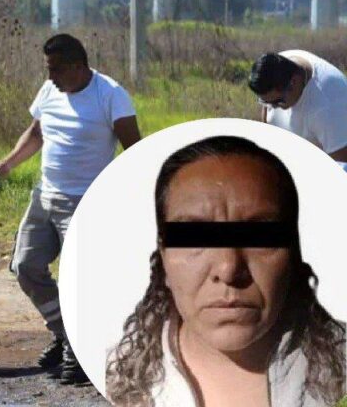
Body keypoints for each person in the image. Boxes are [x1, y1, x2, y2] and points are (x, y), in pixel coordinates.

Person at [106, 136, 345, 407]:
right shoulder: (116, 380)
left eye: (259, 236)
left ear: (293, 251)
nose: (229, 268)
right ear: (162, 257)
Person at [0, 33, 141, 385]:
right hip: (45, 196)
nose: (51, 77)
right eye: (48, 69)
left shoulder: (110, 95)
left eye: (56, 69)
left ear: (77, 66)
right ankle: (67, 335)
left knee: (79, 279)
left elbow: (133, 148)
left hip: (86, 202)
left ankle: (80, 352)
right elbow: (37, 133)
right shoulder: (49, 91)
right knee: (25, 267)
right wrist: (8, 164)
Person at [249, 51, 347, 164]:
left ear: (294, 82)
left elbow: (341, 166)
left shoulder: (328, 105)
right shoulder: (274, 70)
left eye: (278, 102)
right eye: (265, 102)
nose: (273, 107)